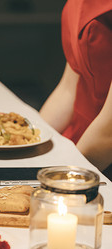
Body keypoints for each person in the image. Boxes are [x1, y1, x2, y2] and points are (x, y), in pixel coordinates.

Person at [39, 0, 112, 179]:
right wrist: (32, 142)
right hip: (78, 143)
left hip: (101, 155)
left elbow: (109, 131)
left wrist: (66, 179)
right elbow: (68, 90)